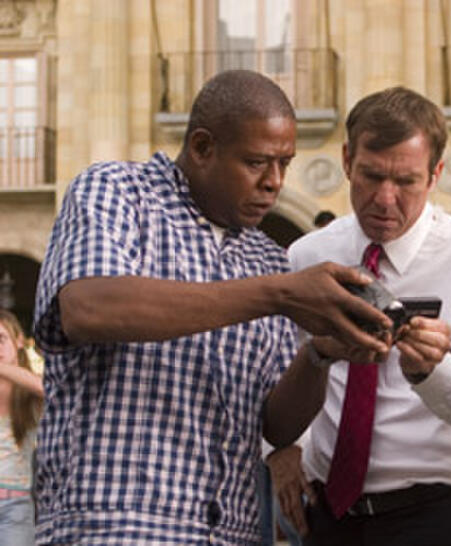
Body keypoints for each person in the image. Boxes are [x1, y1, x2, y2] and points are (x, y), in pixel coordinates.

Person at [32, 70, 393, 544]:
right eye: (257, 163)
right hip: (117, 526)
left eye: (285, 164)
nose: (275, 182)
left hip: (231, 533)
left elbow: (275, 424)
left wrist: (321, 353)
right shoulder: (118, 192)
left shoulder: (264, 256)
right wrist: (279, 294)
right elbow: (90, 308)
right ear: (202, 147)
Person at [269, 86, 451, 546]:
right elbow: (269, 369)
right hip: (331, 518)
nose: (385, 199)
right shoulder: (308, 255)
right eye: (371, 176)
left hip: (440, 518)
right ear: (347, 161)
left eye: (405, 181)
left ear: (435, 174)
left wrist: (433, 372)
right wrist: (280, 448)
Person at [0, 310, 43, 546]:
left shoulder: (27, 396)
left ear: (18, 341)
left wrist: (3, 369)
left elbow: (45, 388)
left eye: (0, 340)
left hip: (14, 507)